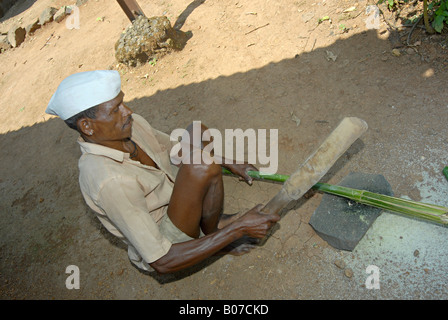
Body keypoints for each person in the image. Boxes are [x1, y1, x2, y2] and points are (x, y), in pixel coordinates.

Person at [46, 70, 280, 274]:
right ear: (87, 126)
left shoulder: (129, 125)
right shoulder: (109, 181)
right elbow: (162, 261)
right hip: (165, 238)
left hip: (172, 194)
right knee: (201, 165)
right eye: (116, 109)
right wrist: (237, 230)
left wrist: (229, 162)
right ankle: (217, 239)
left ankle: (212, 225)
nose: (128, 111)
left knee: (198, 132)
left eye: (122, 102)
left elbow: (174, 149)